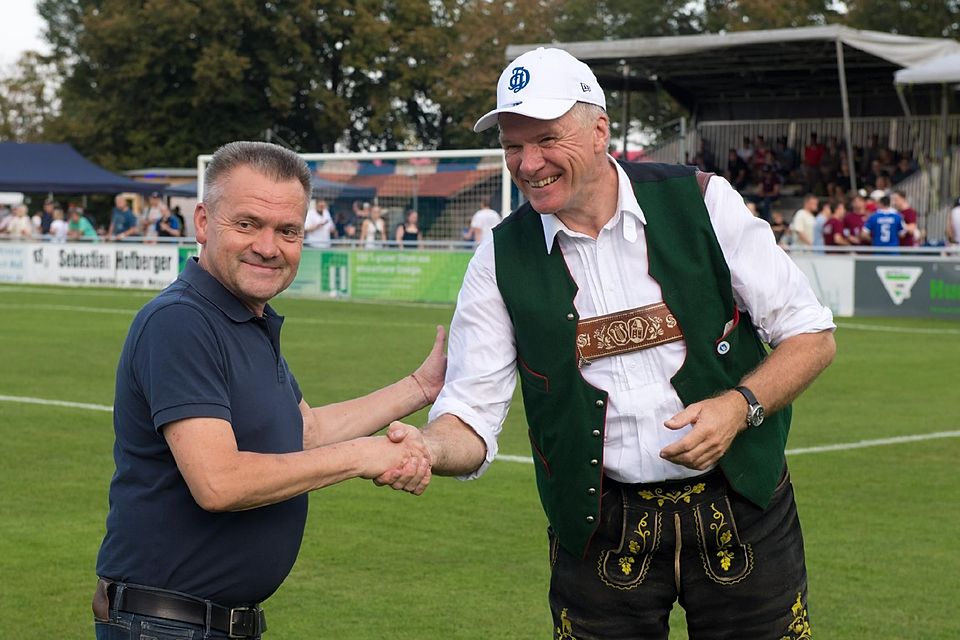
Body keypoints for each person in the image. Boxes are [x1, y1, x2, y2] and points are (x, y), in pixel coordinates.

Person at [392, 47, 836, 640]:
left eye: (547, 140)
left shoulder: (701, 201)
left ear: (599, 129)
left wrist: (739, 407)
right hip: (599, 527)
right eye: (513, 147)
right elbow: (470, 415)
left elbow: (811, 334)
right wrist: (425, 447)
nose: (528, 164)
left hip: (744, 506)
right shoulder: (498, 259)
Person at [92, 141, 442, 639]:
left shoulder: (243, 318)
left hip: (207, 624)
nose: (268, 246)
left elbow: (305, 431)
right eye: (248, 224)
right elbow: (219, 482)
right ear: (203, 223)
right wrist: (363, 458)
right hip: (164, 626)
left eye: (288, 231)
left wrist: (420, 385)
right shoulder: (181, 321)